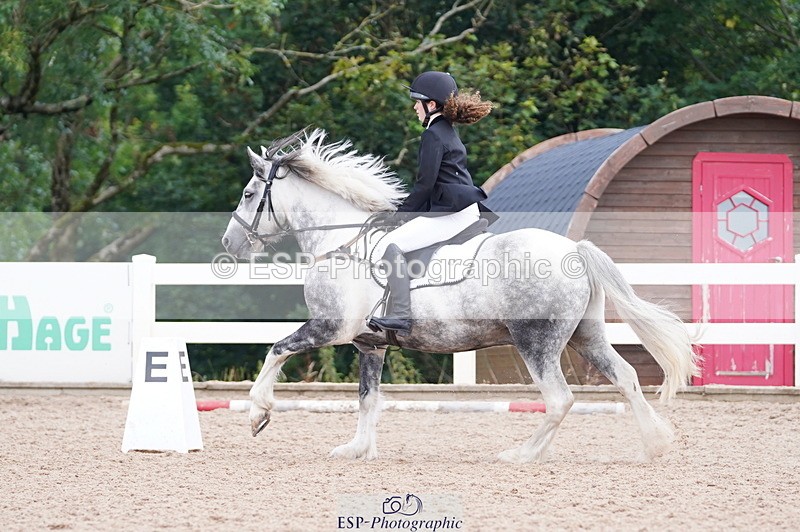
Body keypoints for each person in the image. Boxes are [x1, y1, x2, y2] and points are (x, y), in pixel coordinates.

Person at [368, 71, 496, 336]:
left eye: (418, 101)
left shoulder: (433, 136)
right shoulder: (446, 131)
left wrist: (397, 217)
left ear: (432, 105)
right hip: (460, 209)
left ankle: (401, 315)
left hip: (453, 214)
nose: (414, 107)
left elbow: (424, 186)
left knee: (390, 246)